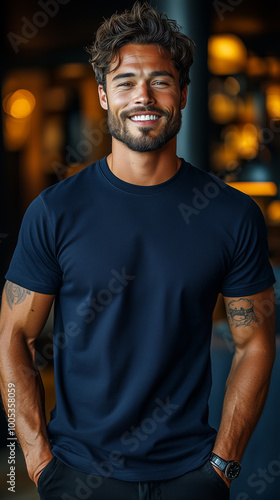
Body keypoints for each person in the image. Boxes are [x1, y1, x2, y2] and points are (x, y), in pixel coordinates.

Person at [0, 2, 276, 499]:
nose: (142, 96)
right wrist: (37, 462)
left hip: (192, 476)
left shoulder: (231, 215)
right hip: (77, 476)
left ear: (184, 94)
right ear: (104, 96)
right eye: (125, 81)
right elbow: (13, 338)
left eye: (161, 81)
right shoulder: (54, 212)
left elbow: (254, 341)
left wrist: (224, 465)